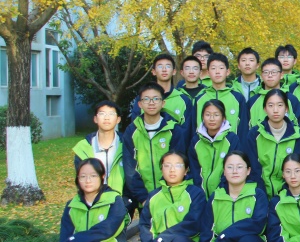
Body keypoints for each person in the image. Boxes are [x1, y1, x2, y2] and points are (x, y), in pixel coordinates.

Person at [122, 83, 187, 217]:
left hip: (170, 197)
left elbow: (177, 166)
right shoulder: (132, 131)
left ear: (163, 103)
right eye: (146, 99)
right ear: (140, 104)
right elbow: (130, 168)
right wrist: (143, 198)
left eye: (156, 99)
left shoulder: (174, 130)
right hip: (143, 199)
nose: (151, 103)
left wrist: (163, 196)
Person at [246, 89, 300, 198]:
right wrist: (261, 195)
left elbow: (296, 167)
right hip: (258, 191)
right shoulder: (255, 134)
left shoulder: (296, 135)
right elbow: (253, 168)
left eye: (280, 105)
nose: (275, 110)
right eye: (270, 105)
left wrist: (282, 196)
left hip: (287, 194)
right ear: (265, 109)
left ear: (286, 108)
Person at [188, 99, 240, 197]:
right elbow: (194, 170)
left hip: (224, 195)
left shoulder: (231, 139)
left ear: (223, 118)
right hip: (200, 194)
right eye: (208, 115)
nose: (211, 119)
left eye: (216, 115)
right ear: (202, 117)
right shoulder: (196, 140)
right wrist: (200, 193)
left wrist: (219, 193)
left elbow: (232, 168)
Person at [73, 100, 125, 197]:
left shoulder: (127, 145)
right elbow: (81, 179)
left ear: (118, 119)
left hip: (122, 201)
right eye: (102, 113)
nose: (106, 117)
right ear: (95, 119)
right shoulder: (83, 148)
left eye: (111, 114)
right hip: (94, 200)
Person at [195, 53, 249, 140]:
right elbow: (194, 127)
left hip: (231, 146)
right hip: (204, 146)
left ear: (227, 72)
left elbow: (243, 129)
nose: (217, 72)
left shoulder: (238, 98)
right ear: (208, 72)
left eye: (221, 68)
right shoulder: (199, 98)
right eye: (213, 68)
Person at [130, 53, 193, 127]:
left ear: (174, 71)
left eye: (168, 66)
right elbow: (135, 127)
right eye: (160, 66)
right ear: (153, 71)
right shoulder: (143, 98)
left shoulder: (184, 100)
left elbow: (187, 130)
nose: (164, 70)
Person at [247, 58, 300, 129]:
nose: (270, 75)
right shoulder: (253, 101)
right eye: (266, 72)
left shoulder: (291, 99)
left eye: (274, 72)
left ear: (281, 75)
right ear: (261, 76)